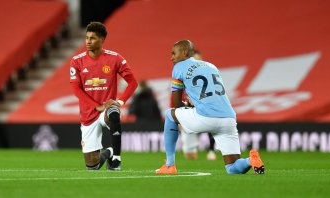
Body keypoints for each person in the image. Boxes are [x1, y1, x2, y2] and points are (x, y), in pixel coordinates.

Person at [155, 40, 264, 175]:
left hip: (206, 117)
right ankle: (250, 161)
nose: (171, 57)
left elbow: (176, 105)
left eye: (173, 53)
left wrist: (186, 106)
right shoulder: (211, 66)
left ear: (184, 52)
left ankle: (169, 165)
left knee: (169, 115)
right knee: (232, 168)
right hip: (228, 118)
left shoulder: (179, 67)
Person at [70, 22, 138, 170]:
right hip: (88, 113)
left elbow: (133, 83)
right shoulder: (77, 61)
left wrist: (120, 102)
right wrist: (96, 105)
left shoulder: (115, 59)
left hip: (106, 108)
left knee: (113, 113)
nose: (88, 41)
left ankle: (116, 160)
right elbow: (76, 89)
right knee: (92, 166)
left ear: (102, 40)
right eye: (87, 37)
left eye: (92, 38)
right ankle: (109, 152)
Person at [180, 49, 217, 161]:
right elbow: (177, 95)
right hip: (188, 110)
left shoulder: (208, 74)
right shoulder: (184, 75)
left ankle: (211, 150)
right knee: (189, 154)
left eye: (200, 59)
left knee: (212, 126)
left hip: (204, 107)